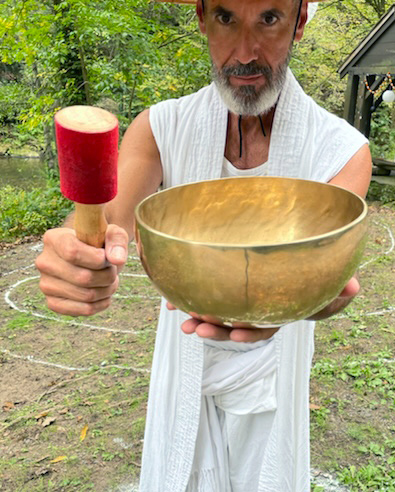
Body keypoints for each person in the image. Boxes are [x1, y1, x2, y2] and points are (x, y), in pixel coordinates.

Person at [35, 0, 372, 490]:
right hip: (183, 356)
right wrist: (76, 250)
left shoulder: (340, 147)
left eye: (269, 19)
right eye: (225, 18)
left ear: (300, 22)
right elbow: (110, 217)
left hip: (276, 374)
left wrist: (317, 300)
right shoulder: (159, 127)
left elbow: (325, 265)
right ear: (200, 18)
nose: (244, 52)